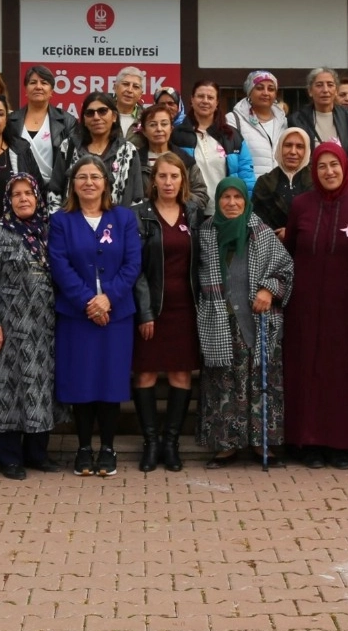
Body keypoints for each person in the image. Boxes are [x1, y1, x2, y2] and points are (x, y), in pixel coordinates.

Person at [284, 142, 348, 470]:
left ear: (344, 167)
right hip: (305, 308)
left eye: (334, 165)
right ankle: (307, 442)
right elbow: (289, 253)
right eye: (322, 166)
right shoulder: (301, 205)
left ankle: (346, 443)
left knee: (346, 374)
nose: (329, 172)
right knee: (307, 371)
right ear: (314, 171)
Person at [50, 155, 142, 477]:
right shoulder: (62, 220)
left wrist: (108, 300)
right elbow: (59, 265)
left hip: (116, 316)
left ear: (106, 183)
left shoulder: (124, 218)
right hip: (77, 315)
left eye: (95, 176)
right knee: (81, 382)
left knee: (110, 382)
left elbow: (132, 263)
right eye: (82, 177)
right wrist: (88, 301)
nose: (89, 182)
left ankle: (107, 447)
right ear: (73, 185)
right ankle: (84, 448)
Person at [197, 177, 293, 469]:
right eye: (225, 197)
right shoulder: (205, 233)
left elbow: (286, 269)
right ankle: (225, 447)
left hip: (258, 321)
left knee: (261, 384)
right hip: (219, 320)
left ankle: (261, 443)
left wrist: (268, 289)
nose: (231, 203)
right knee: (223, 384)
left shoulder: (261, 232)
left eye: (237, 197)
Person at [0, 175, 63, 480]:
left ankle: (37, 453)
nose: (23, 199)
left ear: (38, 197)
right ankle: (9, 457)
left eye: (29, 193)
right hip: (8, 327)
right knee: (7, 389)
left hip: (44, 326)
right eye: (17, 194)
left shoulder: (49, 230)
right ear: (8, 200)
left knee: (39, 388)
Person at [131, 152, 203, 472]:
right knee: (145, 373)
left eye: (175, 176)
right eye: (162, 176)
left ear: (183, 180)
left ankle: (171, 445)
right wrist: (145, 312)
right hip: (152, 308)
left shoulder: (195, 213)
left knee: (180, 374)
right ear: (153, 180)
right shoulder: (139, 215)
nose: (168, 182)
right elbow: (136, 269)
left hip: (186, 308)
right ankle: (150, 443)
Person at [173, 80, 255, 213]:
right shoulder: (177, 136)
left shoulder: (232, 136)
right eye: (200, 96)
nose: (205, 101)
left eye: (210, 97)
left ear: (217, 103)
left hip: (226, 212)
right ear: (192, 100)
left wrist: (245, 208)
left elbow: (246, 175)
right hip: (189, 211)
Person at [56, 92, 143, 208]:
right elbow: (54, 192)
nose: (96, 117)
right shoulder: (68, 147)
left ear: (114, 117)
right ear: (84, 120)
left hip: (117, 224)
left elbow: (137, 198)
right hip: (73, 223)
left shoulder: (128, 150)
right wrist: (59, 223)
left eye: (102, 111)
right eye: (90, 113)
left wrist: (128, 225)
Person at [131, 102, 209, 213]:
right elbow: (129, 197)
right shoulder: (135, 160)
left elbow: (201, 196)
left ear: (171, 128)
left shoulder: (184, 159)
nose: (159, 129)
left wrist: (175, 199)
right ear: (144, 131)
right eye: (153, 125)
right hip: (145, 221)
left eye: (164, 124)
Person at [8, 65, 77, 188]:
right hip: (21, 191)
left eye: (44, 83)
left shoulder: (67, 121)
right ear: (25, 89)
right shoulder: (11, 121)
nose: (38, 87)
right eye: (33, 82)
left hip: (55, 192)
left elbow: (73, 160)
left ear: (51, 91)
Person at [289, 67, 348, 176]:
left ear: (336, 91)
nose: (325, 90)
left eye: (330, 85)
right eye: (319, 85)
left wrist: (339, 168)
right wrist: (319, 171)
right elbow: (295, 156)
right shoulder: (297, 120)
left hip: (342, 180)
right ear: (310, 91)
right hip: (310, 182)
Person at [251, 127, 312, 238]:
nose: (293, 152)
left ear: (307, 150)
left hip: (307, 246)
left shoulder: (316, 182)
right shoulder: (264, 182)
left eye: (299, 146)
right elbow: (256, 221)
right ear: (279, 148)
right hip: (272, 247)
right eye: (288, 145)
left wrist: (292, 232)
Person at [227, 70, 288, 181]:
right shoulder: (234, 120)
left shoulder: (284, 122)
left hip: (279, 192)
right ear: (250, 91)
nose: (265, 93)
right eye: (259, 88)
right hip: (249, 191)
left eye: (271, 89)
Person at [113, 66, 146, 137]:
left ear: (140, 94)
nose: (130, 90)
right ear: (115, 87)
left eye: (136, 87)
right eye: (125, 84)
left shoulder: (146, 118)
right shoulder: (102, 114)